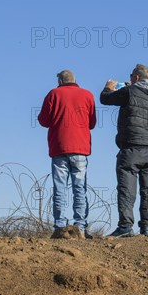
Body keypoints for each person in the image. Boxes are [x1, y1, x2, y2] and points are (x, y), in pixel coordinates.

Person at [100, 64, 148, 237]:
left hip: (131, 148)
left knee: (127, 189)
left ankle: (126, 226)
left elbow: (105, 99)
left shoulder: (128, 92)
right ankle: (147, 227)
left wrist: (109, 87)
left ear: (136, 77)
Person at [38, 70, 96, 236]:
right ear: (75, 80)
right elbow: (92, 123)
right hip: (80, 148)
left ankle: (59, 227)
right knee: (80, 189)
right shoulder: (87, 95)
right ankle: (81, 227)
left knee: (60, 188)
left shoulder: (54, 94)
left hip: (59, 147)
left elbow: (43, 120)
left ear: (60, 81)